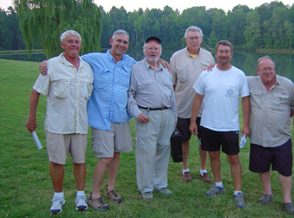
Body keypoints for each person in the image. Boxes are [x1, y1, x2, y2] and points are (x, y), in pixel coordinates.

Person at [39, 30, 170, 210]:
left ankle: (111, 188)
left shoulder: (131, 63)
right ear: (111, 41)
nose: (121, 45)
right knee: (106, 157)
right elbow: (71, 56)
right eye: (118, 41)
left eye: (125, 42)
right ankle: (94, 195)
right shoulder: (93, 59)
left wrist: (160, 61)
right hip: (102, 119)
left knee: (116, 154)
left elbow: (148, 63)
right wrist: (47, 64)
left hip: (121, 117)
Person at [25, 30, 94, 214]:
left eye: (77, 41)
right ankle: (58, 196)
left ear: (81, 45)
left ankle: (80, 195)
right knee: (57, 162)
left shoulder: (87, 68)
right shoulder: (51, 66)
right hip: (57, 125)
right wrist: (32, 118)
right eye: (69, 41)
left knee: (80, 161)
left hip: (80, 125)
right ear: (62, 44)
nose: (74, 44)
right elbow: (35, 92)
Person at [190, 40, 250, 209]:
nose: (224, 54)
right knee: (213, 155)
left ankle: (238, 192)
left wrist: (246, 124)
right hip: (209, 124)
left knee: (233, 157)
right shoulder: (206, 73)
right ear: (215, 53)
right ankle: (218, 184)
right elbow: (197, 97)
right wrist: (193, 121)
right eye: (221, 51)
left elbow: (245, 100)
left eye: (227, 51)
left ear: (231, 54)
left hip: (230, 126)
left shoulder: (239, 75)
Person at [128, 37, 177, 200]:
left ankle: (160, 184)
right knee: (146, 153)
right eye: (150, 48)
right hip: (147, 116)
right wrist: (136, 113)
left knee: (163, 149)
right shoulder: (136, 69)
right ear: (144, 50)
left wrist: (174, 116)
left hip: (166, 115)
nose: (153, 51)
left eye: (156, 49)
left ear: (160, 51)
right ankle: (146, 187)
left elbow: (172, 95)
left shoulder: (166, 70)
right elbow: (130, 94)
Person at [247, 56, 294, 214]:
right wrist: (213, 66)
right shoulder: (249, 83)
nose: (268, 72)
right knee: (263, 168)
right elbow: (228, 73)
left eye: (270, 69)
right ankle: (267, 193)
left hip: (281, 137)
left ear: (274, 69)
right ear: (258, 71)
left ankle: (287, 200)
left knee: (285, 170)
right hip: (259, 137)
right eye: (264, 69)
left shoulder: (287, 85)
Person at [170, 26, 215, 183]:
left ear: (201, 39)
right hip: (183, 107)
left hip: (204, 109)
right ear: (186, 39)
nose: (194, 40)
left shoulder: (209, 57)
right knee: (184, 139)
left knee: (204, 141)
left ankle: (203, 169)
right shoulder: (176, 57)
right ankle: (185, 168)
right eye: (191, 38)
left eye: (197, 38)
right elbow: (172, 84)